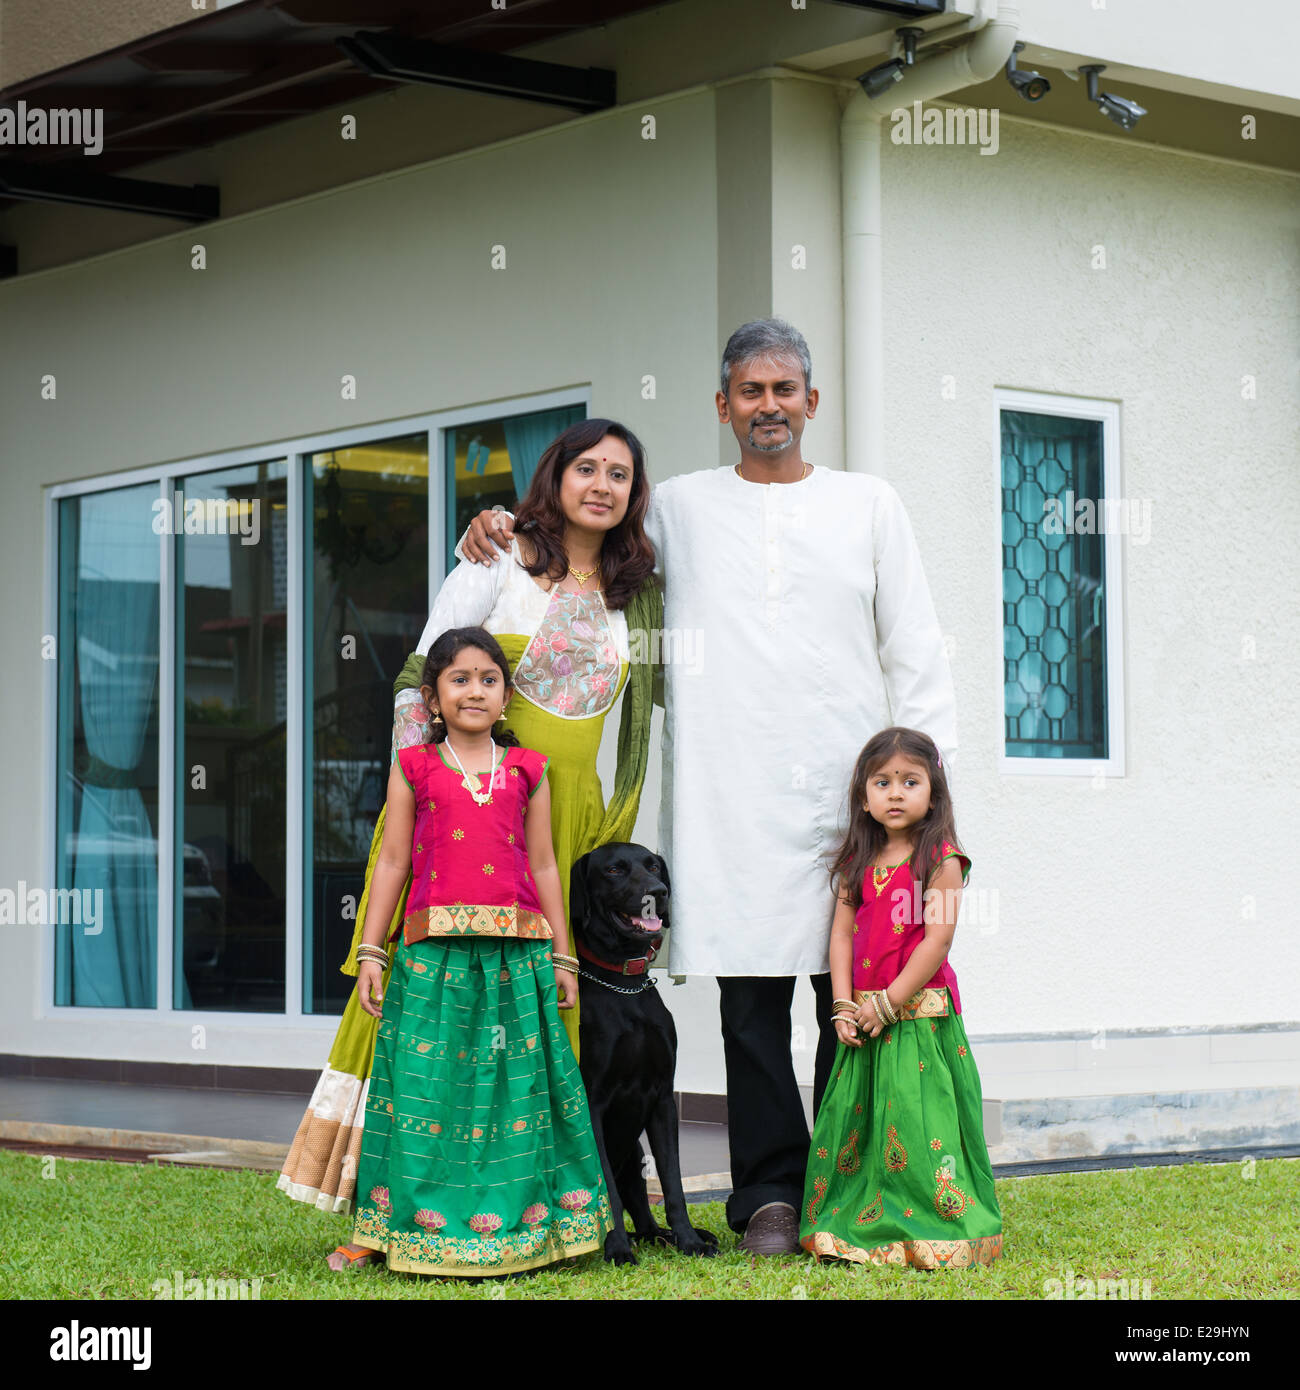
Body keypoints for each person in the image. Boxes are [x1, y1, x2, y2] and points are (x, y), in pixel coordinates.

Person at [458, 319, 958, 1256]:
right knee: (752, 1000)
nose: (767, 406)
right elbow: (585, 541)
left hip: (858, 800)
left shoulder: (870, 504)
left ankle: (856, 1185)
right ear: (721, 405)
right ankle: (769, 1193)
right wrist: (498, 529)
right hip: (731, 797)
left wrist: (936, 813)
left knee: (854, 992)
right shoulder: (679, 507)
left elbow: (917, 653)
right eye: (749, 391)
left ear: (814, 401)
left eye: (784, 390)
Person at [276, 419, 660, 1266]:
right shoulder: (495, 561)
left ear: (635, 494)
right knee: (431, 1019)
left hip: (573, 823)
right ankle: (391, 1214)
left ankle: (545, 1208)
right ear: (554, 477)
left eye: (621, 475)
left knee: (546, 1021)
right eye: (584, 468)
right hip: (472, 820)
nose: (601, 485)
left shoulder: (640, 592)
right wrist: (422, 801)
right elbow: (422, 677)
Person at [347, 627, 613, 1275]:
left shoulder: (529, 770)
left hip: (516, 961)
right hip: (431, 959)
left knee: (515, 1094)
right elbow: (391, 862)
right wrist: (371, 952)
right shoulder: (414, 767)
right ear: (433, 700)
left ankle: (526, 1227)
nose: (474, 690)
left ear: (506, 695)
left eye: (488, 679)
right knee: (423, 1091)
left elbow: (546, 866)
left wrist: (564, 957)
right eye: (459, 679)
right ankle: (401, 1226)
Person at [799, 726, 1002, 1270]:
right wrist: (841, 1005)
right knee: (860, 1130)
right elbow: (841, 935)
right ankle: (856, 1226)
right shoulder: (856, 860)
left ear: (933, 791)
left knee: (918, 1125)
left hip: (916, 1022)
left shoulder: (942, 858)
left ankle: (936, 1229)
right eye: (882, 782)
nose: (895, 793)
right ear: (862, 795)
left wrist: (888, 1004)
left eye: (910, 781)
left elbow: (938, 939)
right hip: (863, 1019)